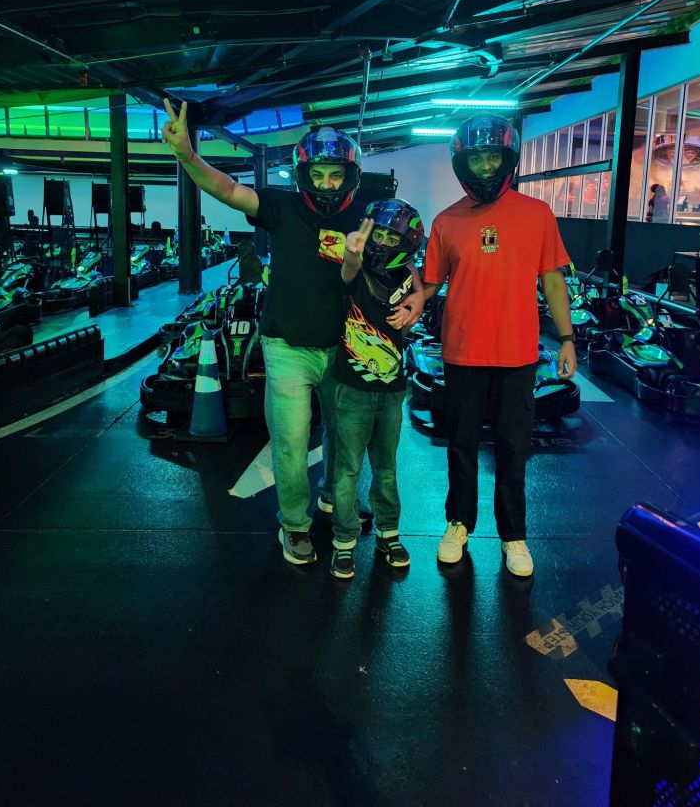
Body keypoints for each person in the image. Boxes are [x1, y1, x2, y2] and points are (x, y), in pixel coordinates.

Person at [161, 100, 422, 566]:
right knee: (292, 440)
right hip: (287, 347)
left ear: (350, 176)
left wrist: (417, 297)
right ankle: (296, 525)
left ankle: (333, 498)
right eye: (318, 174)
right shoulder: (281, 207)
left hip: (346, 347)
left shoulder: (364, 218)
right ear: (304, 174)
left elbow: (400, 253)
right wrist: (188, 155)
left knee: (344, 438)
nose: (327, 183)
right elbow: (229, 190)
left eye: (336, 175)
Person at [421, 115, 575, 577]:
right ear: (463, 164)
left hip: (517, 355)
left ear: (507, 159)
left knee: (513, 448)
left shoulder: (537, 214)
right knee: (461, 446)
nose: (486, 166)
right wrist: (399, 297)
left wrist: (567, 340)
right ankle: (458, 524)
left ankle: (513, 536)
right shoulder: (446, 221)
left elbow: (552, 280)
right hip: (462, 352)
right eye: (477, 159)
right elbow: (429, 284)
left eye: (493, 157)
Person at [329, 199, 424, 580]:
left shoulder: (407, 279)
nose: (382, 242)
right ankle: (344, 541)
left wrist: (416, 302)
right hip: (352, 388)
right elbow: (348, 271)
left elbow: (418, 282)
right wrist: (353, 253)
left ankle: (389, 533)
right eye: (378, 234)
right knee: (347, 470)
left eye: (391, 237)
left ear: (406, 244)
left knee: (386, 469)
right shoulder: (356, 270)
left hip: (392, 390)